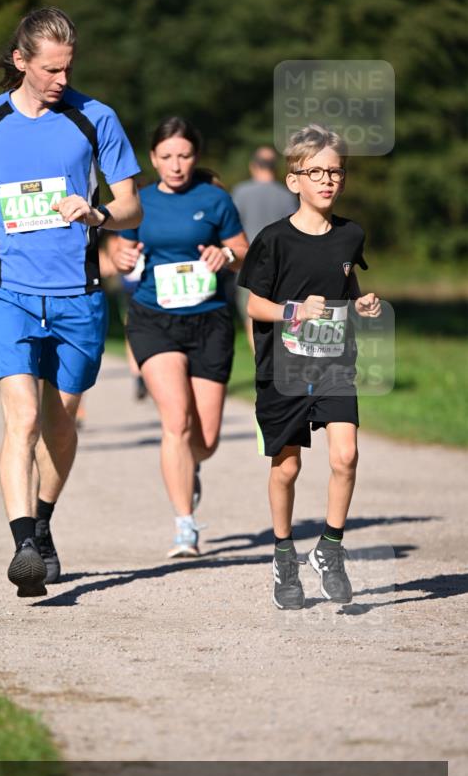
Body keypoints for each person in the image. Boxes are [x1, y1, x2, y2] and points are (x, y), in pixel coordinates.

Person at [0, 7, 141, 597]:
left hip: (79, 295)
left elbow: (132, 203)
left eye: (68, 68)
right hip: (5, 292)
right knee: (23, 418)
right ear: (21, 62)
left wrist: (99, 212)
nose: (62, 79)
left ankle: (45, 520)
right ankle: (23, 546)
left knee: (61, 424)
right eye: (51, 69)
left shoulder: (95, 118)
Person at [237, 124, 381, 610]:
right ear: (293, 179)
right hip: (285, 369)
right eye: (315, 171)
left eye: (335, 171)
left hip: (336, 362)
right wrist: (295, 311)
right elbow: (255, 306)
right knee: (288, 467)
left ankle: (331, 547)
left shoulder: (351, 234)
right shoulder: (273, 240)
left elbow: (345, 287)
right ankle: (283, 553)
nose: (327, 180)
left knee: (346, 456)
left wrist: (360, 305)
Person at [115, 117, 248, 557]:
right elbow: (119, 251)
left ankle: (190, 468)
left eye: (185, 155)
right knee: (176, 421)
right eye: (167, 156)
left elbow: (245, 252)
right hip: (154, 318)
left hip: (208, 322)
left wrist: (225, 253)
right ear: (152, 159)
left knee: (204, 441)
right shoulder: (138, 202)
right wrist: (119, 254)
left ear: (196, 157)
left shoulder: (215, 200)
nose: (176, 165)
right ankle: (185, 526)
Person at [231, 147, 296, 352]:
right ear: (275, 168)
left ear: (253, 166)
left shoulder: (240, 192)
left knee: (252, 316)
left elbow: (231, 228)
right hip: (282, 266)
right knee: (281, 316)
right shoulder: (287, 195)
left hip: (249, 266)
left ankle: (261, 362)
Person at [98, 229, 147, 401]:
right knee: (132, 333)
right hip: (130, 288)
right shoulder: (116, 227)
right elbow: (108, 265)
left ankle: (144, 374)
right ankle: (139, 377)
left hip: (152, 283)